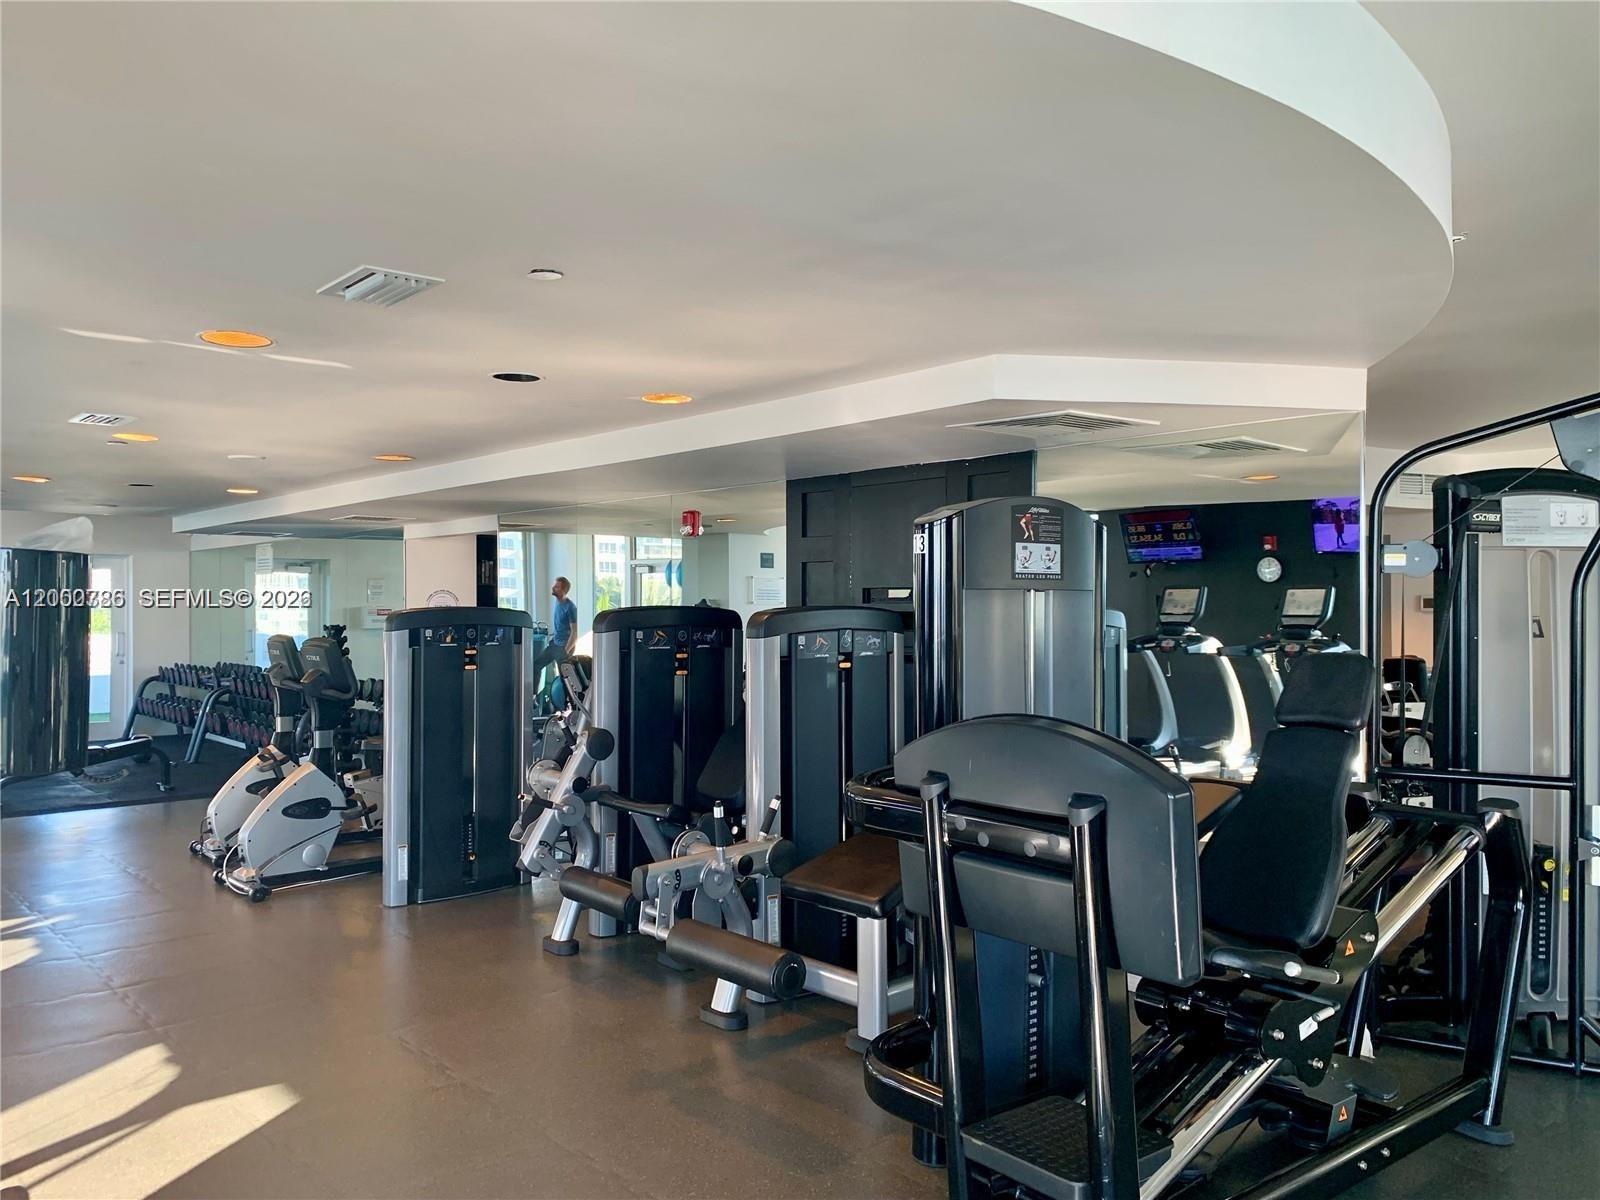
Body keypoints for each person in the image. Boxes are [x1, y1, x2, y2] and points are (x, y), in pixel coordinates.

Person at [532, 576, 578, 692]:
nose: (553, 588)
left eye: (557, 587)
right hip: (554, 644)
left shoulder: (570, 608)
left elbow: (574, 632)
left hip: (563, 647)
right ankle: (533, 696)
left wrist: (566, 651)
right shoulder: (557, 602)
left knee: (565, 680)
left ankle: (569, 701)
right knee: (536, 665)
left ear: (563, 590)